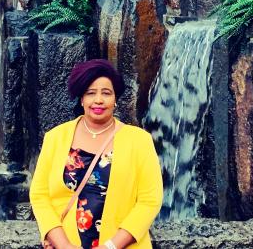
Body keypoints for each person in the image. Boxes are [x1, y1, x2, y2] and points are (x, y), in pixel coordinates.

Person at [29, 59, 163, 249]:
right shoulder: (56, 137)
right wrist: (63, 244)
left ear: (115, 98)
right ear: (81, 98)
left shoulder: (139, 141)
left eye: (106, 93)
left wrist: (111, 246)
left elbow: (149, 201)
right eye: (90, 93)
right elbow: (39, 195)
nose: (98, 100)